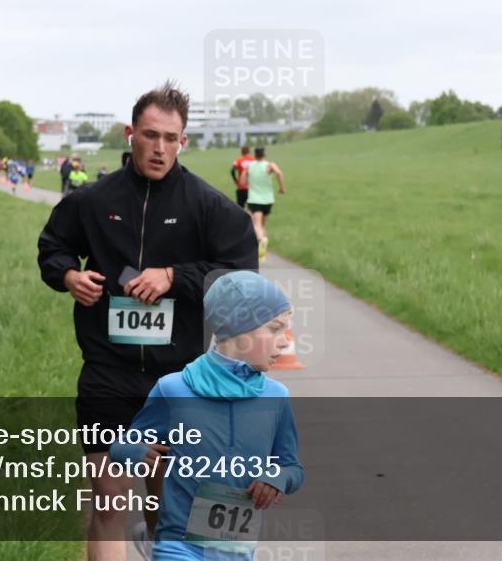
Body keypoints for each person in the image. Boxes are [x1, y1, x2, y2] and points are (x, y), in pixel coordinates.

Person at [37, 80, 258, 561]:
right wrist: (69, 276)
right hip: (107, 371)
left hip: (177, 376)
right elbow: (51, 248)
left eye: (170, 138)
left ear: (183, 142)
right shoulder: (93, 200)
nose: (159, 148)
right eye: (150, 135)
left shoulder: (207, 205)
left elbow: (241, 273)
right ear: (130, 134)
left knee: (166, 506)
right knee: (108, 501)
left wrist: (174, 276)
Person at [110, 270, 303, 560]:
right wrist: (134, 451)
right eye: (274, 328)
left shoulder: (275, 398)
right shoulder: (173, 389)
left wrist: (276, 477)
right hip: (178, 543)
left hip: (236, 548)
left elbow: (292, 467)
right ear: (238, 327)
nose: (284, 342)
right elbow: (122, 446)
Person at [240, 147, 285, 264]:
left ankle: (261, 240)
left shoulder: (250, 166)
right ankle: (261, 254)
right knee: (262, 226)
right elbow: (279, 173)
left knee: (256, 224)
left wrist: (246, 172)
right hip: (268, 200)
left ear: (255, 154)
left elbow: (242, 182)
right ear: (265, 154)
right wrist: (281, 187)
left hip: (254, 199)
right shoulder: (269, 165)